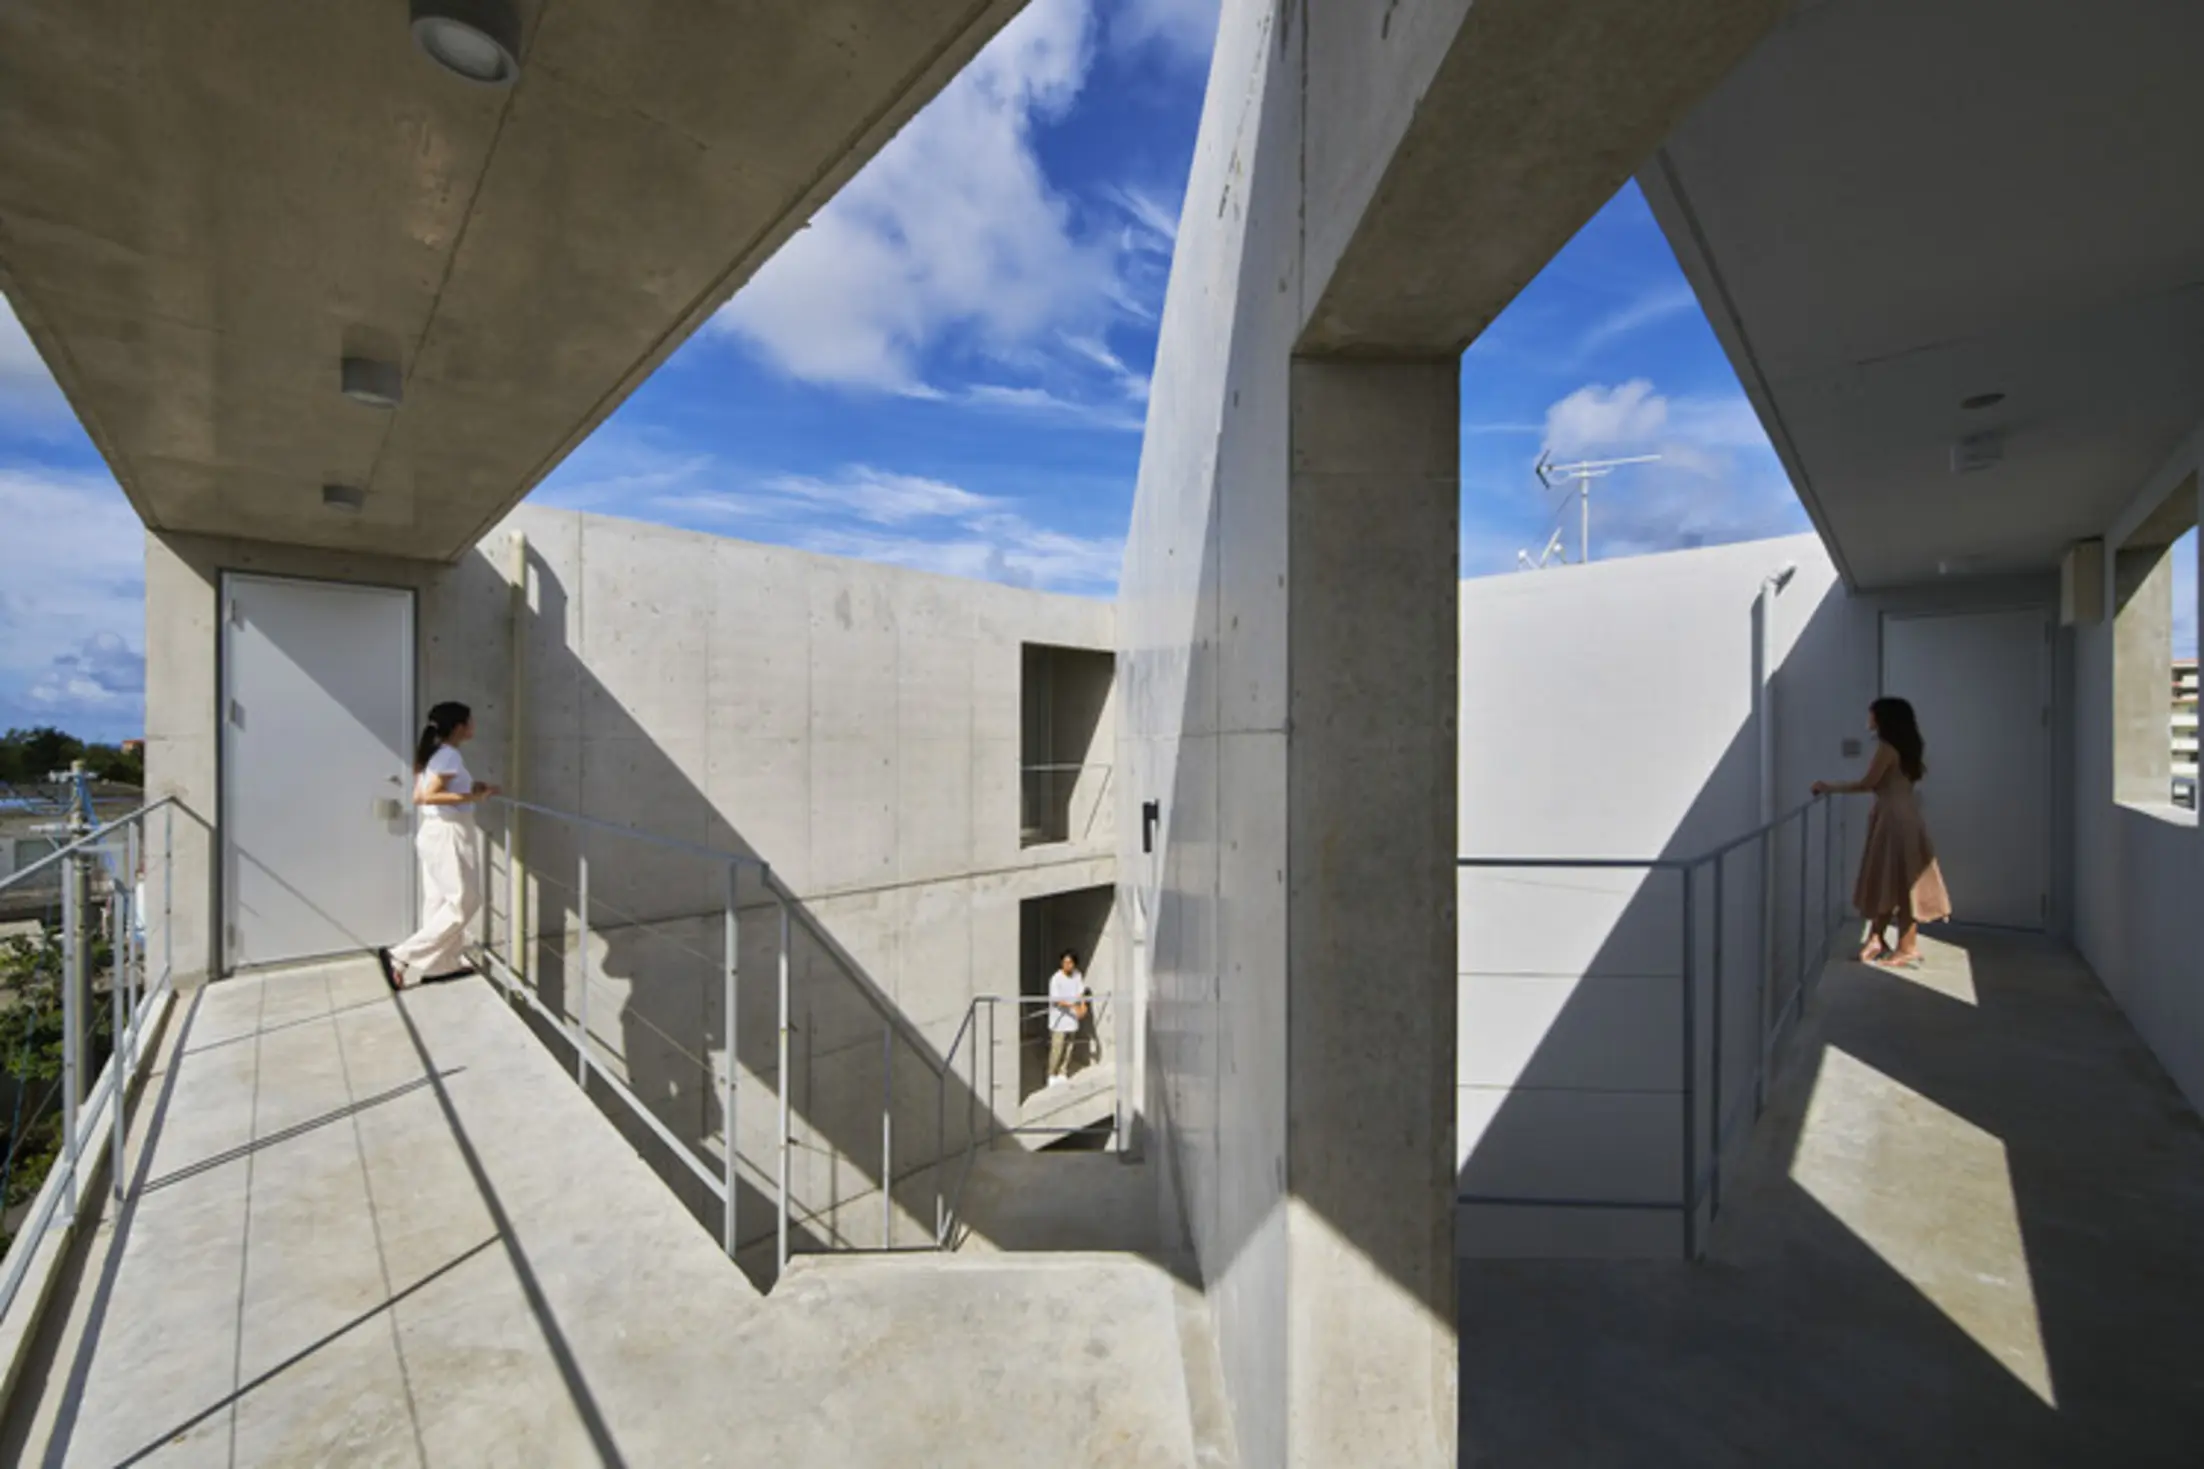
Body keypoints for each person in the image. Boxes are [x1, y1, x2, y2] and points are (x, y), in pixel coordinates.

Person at [1813, 696, 1951, 968]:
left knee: (1896, 878)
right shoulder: (1908, 746)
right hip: (1906, 815)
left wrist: (1828, 786)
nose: (1869, 718)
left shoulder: (1887, 749)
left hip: (1893, 820)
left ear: (1883, 718)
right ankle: (1877, 938)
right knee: (1896, 876)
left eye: (1872, 713)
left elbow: (1868, 783)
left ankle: (1907, 946)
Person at [376, 702, 498, 991]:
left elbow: (428, 793)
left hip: (434, 832)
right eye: (470, 721)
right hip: (449, 833)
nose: (473, 726)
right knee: (465, 901)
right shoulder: (449, 756)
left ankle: (441, 965)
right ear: (458, 727)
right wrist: (474, 799)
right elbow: (427, 796)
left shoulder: (435, 754)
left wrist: (472, 790)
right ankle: (400, 955)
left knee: (439, 901)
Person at [1045, 949, 1089, 1087]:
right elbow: (1057, 1000)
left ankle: (1063, 1072)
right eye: (1064, 962)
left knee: (1069, 1047)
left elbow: (1081, 993)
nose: (1067, 965)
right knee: (1057, 1048)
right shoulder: (1055, 979)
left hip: (1072, 1019)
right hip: (1059, 1019)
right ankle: (1051, 1074)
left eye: (1069, 962)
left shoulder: (1077, 975)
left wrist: (1083, 1006)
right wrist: (1073, 1006)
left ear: (1074, 964)